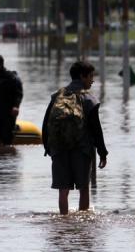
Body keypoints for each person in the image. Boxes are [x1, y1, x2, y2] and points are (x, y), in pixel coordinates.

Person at [42, 61, 108, 215]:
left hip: (59, 148)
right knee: (83, 189)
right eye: (91, 76)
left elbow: (46, 124)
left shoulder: (57, 96)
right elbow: (96, 128)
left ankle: (64, 222)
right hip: (82, 149)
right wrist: (102, 152)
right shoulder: (89, 99)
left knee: (63, 191)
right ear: (82, 76)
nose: (92, 80)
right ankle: (82, 226)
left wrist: (48, 148)